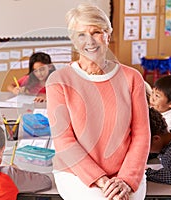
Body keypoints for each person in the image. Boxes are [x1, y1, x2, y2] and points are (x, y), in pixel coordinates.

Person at [46, 3, 150, 200]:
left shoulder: (132, 78)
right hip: (76, 173)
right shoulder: (59, 80)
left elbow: (141, 135)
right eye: (81, 34)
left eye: (96, 32)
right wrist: (102, 180)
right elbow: (64, 141)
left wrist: (126, 180)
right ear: (73, 40)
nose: (90, 41)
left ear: (108, 36)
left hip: (127, 171)